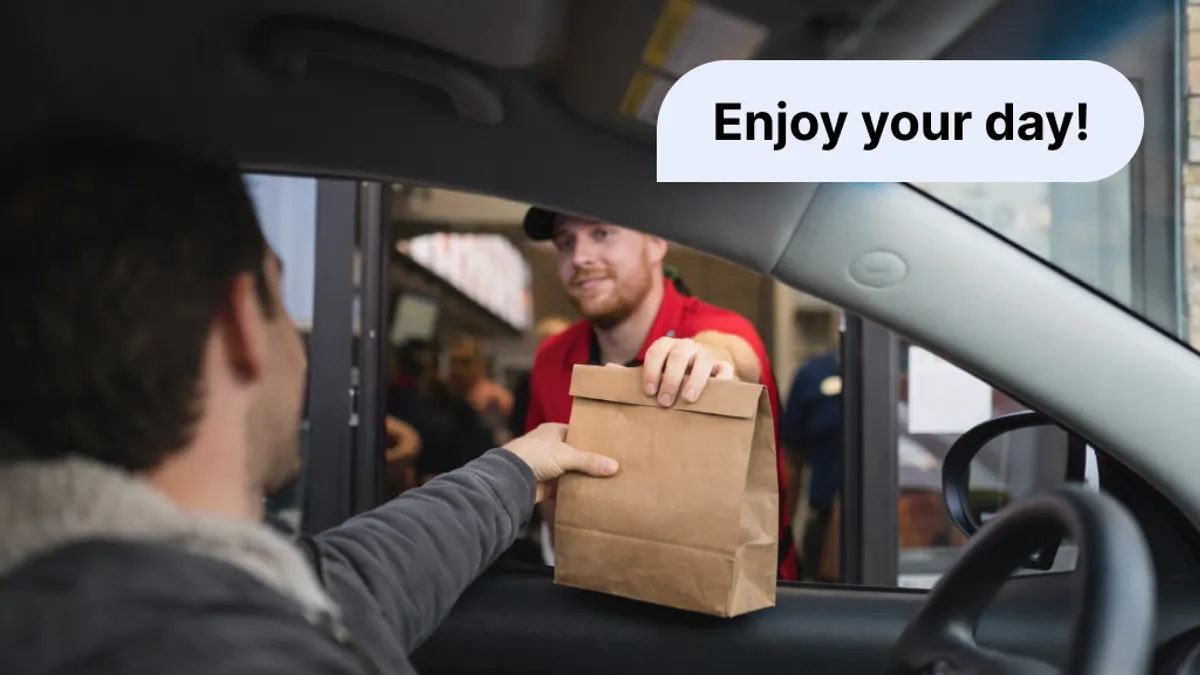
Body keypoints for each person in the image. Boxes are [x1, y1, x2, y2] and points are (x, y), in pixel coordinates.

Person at [0, 125, 619, 675]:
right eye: (280, 296)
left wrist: (515, 469)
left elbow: (354, 579)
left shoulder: (108, 589)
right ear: (242, 325)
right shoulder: (232, 648)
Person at [522, 207, 799, 580]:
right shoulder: (551, 358)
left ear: (655, 242)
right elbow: (548, 493)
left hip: (730, 598)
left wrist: (705, 359)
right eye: (566, 243)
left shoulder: (718, 328)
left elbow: (735, 354)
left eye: (602, 233)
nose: (579, 257)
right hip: (594, 590)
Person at [780, 350, 842, 580]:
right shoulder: (814, 376)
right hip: (822, 527)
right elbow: (791, 462)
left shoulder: (916, 369)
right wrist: (782, 542)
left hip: (910, 525)